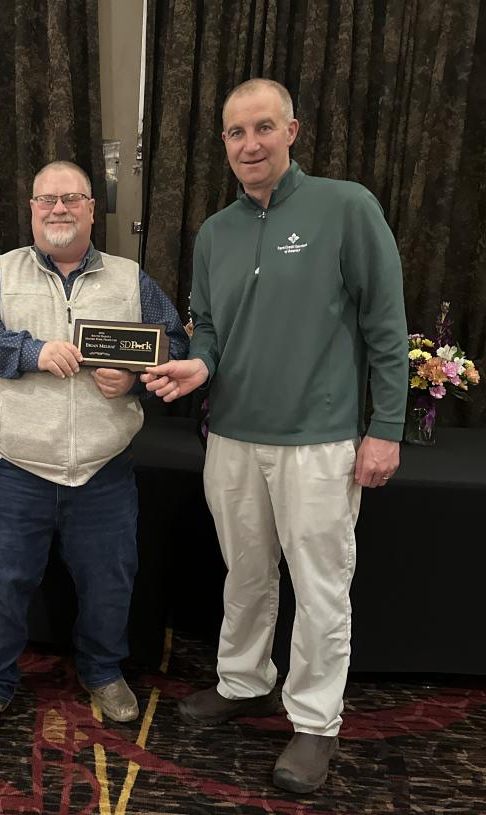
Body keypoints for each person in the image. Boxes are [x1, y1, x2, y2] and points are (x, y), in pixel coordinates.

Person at [143, 79, 407, 793]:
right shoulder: (215, 233)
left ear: (293, 130)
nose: (250, 143)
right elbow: (213, 328)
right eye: (236, 132)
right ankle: (243, 679)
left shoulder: (346, 206)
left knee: (323, 587)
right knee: (246, 573)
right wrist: (200, 363)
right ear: (224, 143)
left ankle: (316, 722)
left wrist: (385, 429)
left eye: (264, 127)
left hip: (321, 443)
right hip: (230, 437)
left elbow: (386, 327)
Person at [0, 160, 189, 744]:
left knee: (110, 580)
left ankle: (103, 672)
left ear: (91, 209)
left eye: (72, 199)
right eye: (46, 200)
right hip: (13, 466)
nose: (58, 209)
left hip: (103, 470)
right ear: (31, 209)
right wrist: (30, 351)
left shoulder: (131, 279)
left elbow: (175, 342)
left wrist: (132, 379)